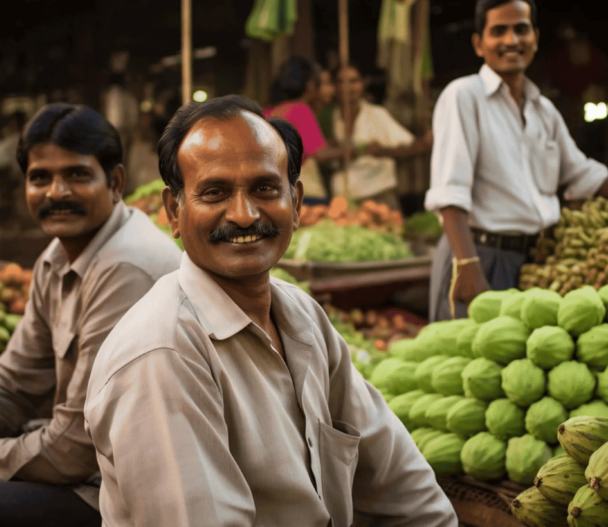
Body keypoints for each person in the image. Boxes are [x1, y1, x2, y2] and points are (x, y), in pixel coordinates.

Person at [84, 95, 457, 527]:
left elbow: (403, 486)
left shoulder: (301, 315)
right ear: (174, 211)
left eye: (264, 188)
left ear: (296, 203)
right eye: (215, 192)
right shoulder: (162, 353)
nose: (244, 215)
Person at [0, 103, 182, 526]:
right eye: (40, 177)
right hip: (86, 471)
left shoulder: (125, 266)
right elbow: (12, 383)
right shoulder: (58, 257)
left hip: (124, 492)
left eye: (76, 175)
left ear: (115, 182)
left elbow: (73, 449)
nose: (55, 192)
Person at [425, 0, 608, 322]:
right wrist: (467, 266)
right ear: (479, 44)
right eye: (499, 31)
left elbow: (581, 175)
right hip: (477, 254)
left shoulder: (543, 110)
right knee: (468, 368)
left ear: (535, 37)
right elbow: (449, 192)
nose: (511, 40)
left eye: (521, 29)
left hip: (533, 263)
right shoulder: (463, 95)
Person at [332, 64, 433, 209]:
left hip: (379, 195)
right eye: (341, 82)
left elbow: (411, 147)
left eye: (353, 81)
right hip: (342, 200)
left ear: (362, 84)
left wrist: (381, 151)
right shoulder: (330, 117)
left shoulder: (377, 114)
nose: (347, 87)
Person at [266, 56, 358, 204]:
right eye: (322, 83)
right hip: (301, 193)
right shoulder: (300, 110)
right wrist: (349, 149)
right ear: (310, 86)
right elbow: (321, 154)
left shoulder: (271, 111)